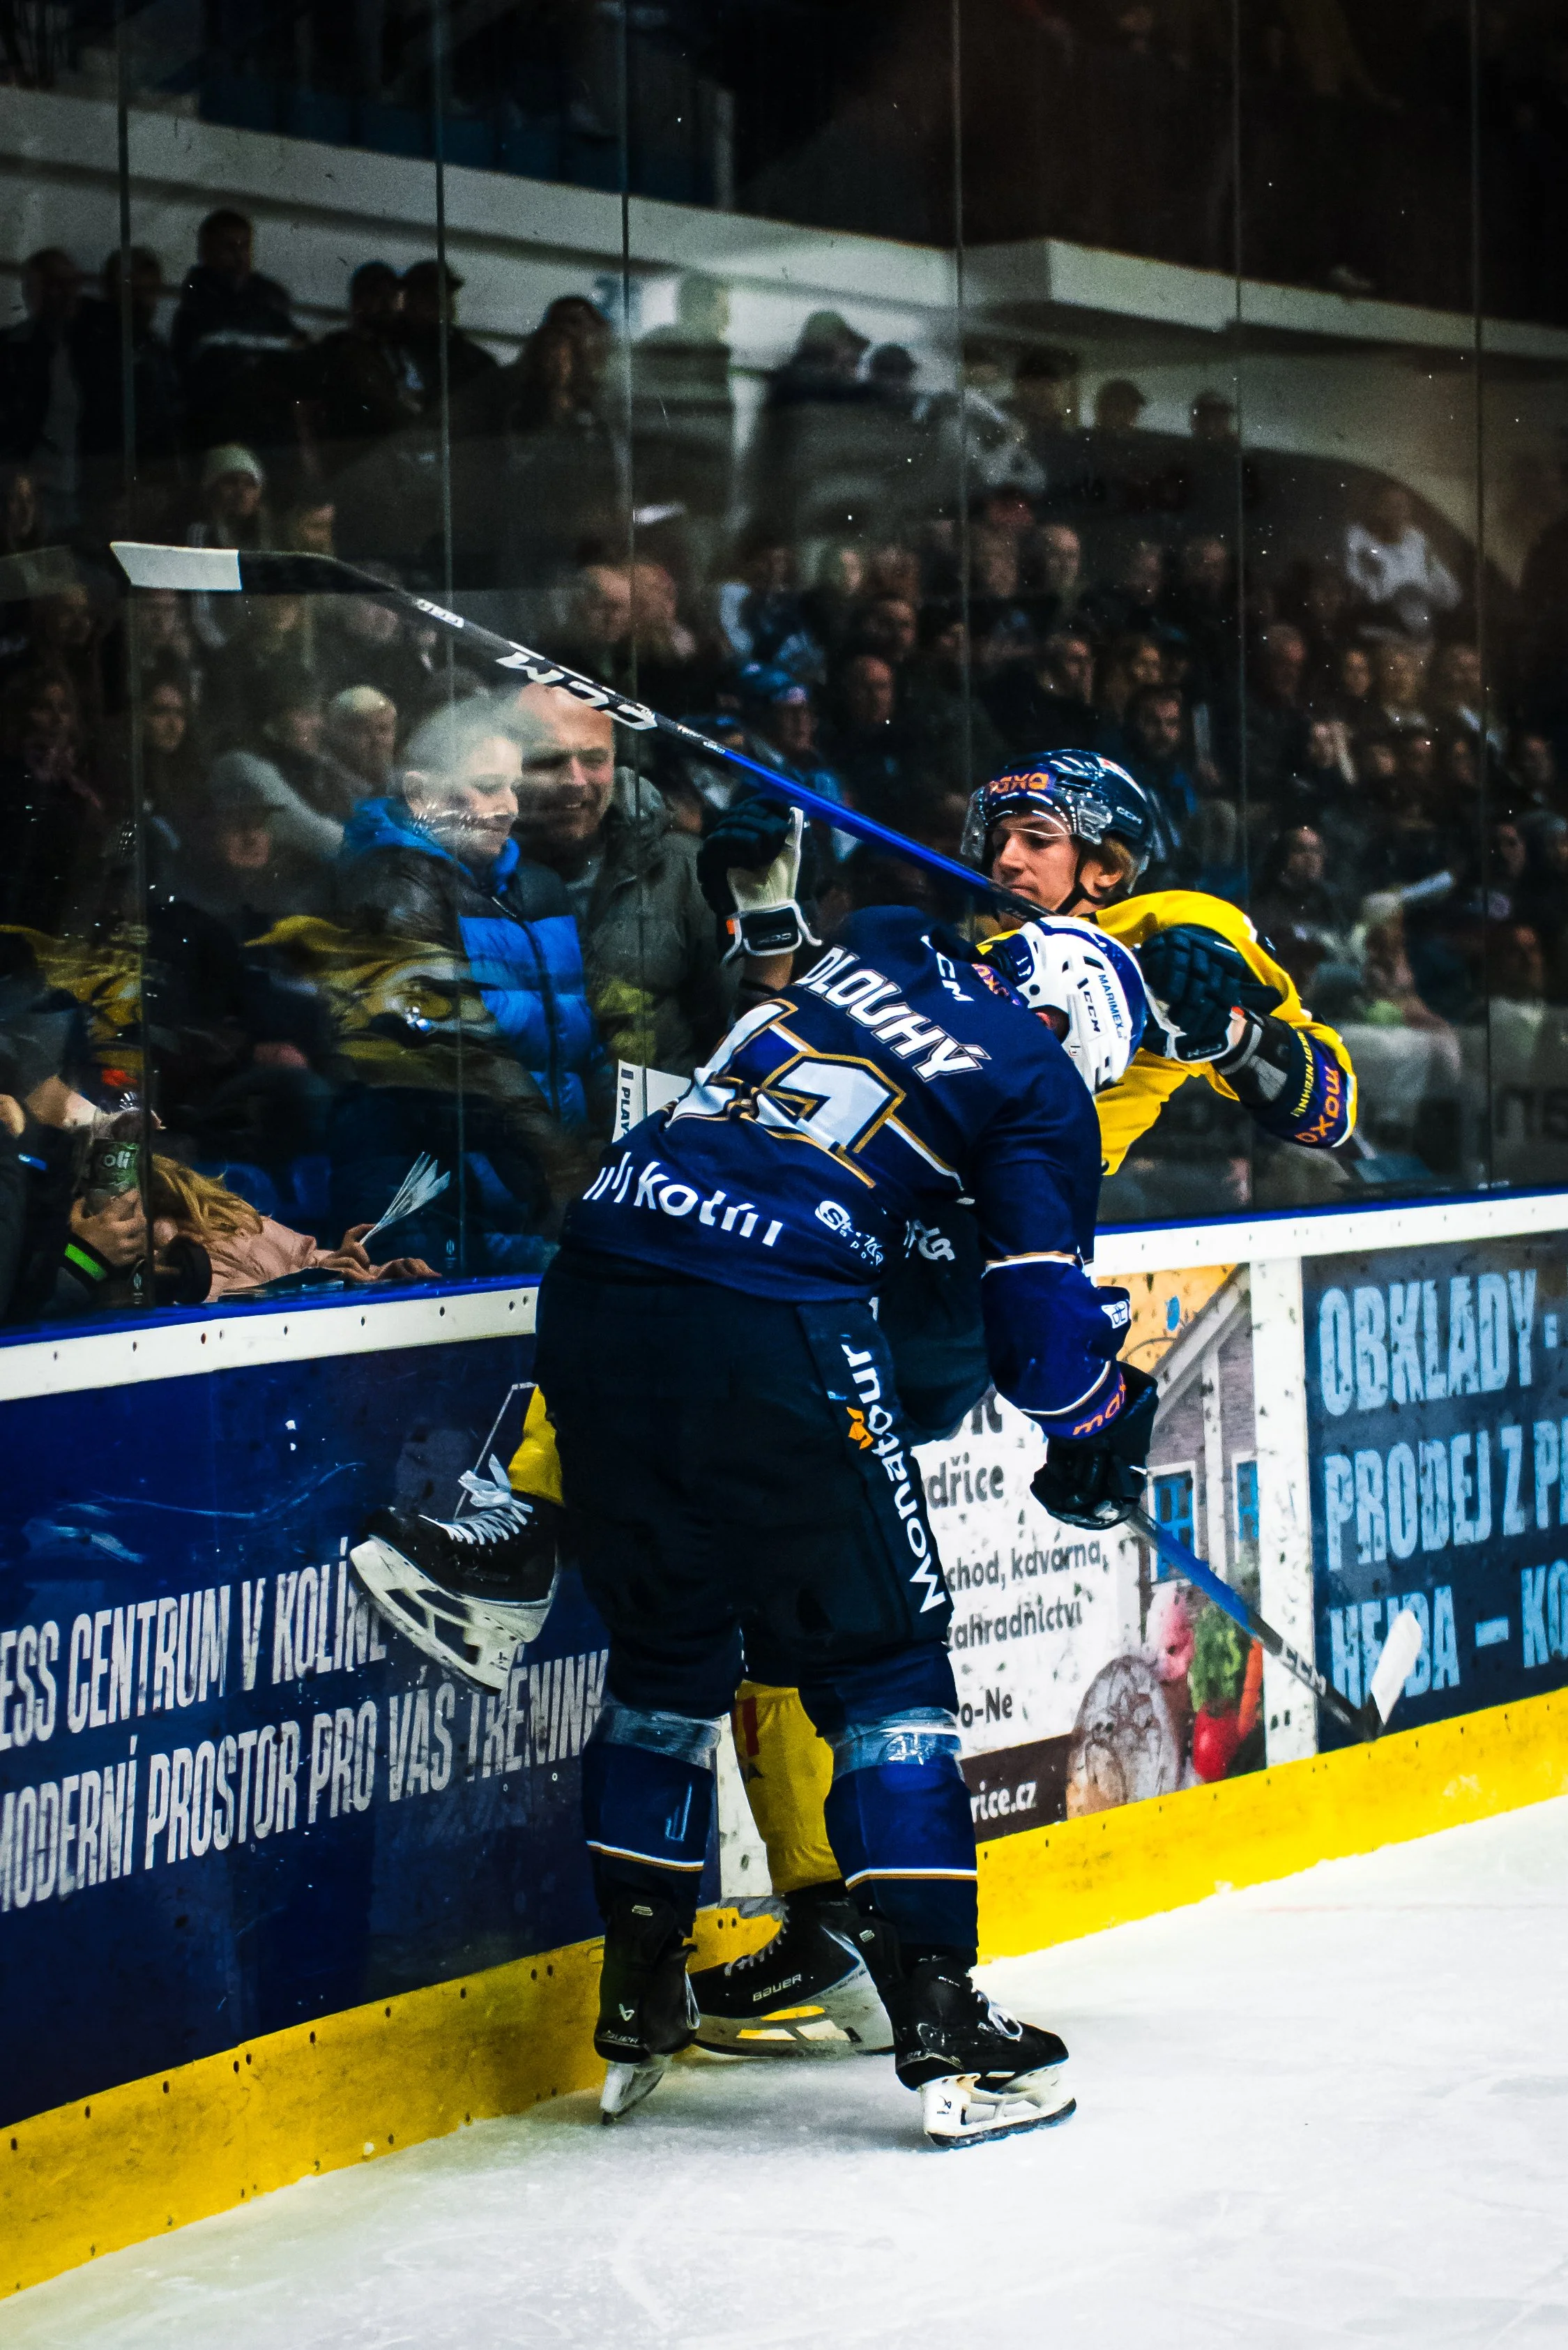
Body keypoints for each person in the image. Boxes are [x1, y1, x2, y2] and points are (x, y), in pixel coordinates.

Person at [357, 752, 1357, 2108]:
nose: (1003, 859)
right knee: (800, 1610)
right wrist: (768, 916)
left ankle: (533, 1514)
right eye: (991, 833)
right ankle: (834, 1916)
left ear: (1109, 861)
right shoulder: (941, 948)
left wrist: (1239, 1038)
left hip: (957, 1266)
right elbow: (789, 1043)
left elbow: (1329, 1106)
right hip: (857, 1253)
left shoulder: (1188, 937)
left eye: (1036, 839)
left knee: (807, 1568)